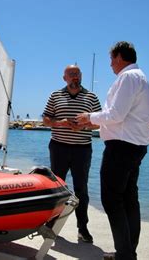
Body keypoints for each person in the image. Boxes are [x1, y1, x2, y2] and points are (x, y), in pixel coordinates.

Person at [76, 41, 149, 260]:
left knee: (112, 200)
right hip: (134, 146)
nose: (110, 64)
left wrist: (88, 117)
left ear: (119, 57)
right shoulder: (140, 77)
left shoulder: (128, 77)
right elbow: (120, 116)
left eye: (111, 59)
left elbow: (115, 114)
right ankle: (127, 251)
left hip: (121, 147)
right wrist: (94, 122)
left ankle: (124, 254)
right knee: (128, 199)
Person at [42, 64, 101, 243]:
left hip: (82, 150)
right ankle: (51, 225)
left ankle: (82, 228)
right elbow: (45, 120)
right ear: (64, 78)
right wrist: (62, 123)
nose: (75, 76)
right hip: (59, 147)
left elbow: (99, 123)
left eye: (77, 74)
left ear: (81, 76)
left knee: (81, 189)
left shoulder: (91, 97)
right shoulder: (55, 95)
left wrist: (84, 125)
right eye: (71, 74)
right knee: (57, 187)